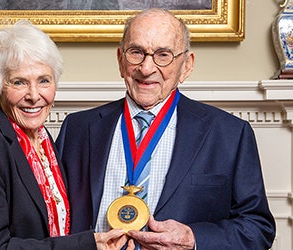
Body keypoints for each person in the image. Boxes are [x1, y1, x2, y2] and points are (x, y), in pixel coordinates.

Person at [56, 8, 276, 249]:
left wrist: (194, 239)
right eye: (136, 52)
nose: (147, 68)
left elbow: (257, 228)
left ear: (187, 66)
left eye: (163, 55)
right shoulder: (77, 129)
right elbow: (51, 218)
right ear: (120, 60)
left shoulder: (229, 134)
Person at [0, 20, 127, 249]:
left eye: (44, 80)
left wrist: (96, 241)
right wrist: (84, 245)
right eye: (19, 82)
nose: (34, 95)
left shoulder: (42, 138)